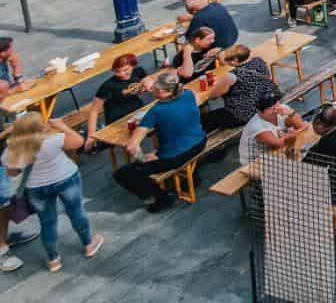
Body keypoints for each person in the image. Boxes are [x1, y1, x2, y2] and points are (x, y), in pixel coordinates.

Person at [3, 112, 102, 271]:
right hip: (66, 178)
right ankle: (89, 244)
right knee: (76, 212)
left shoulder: (13, 149)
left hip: (36, 187)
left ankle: (53, 259)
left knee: (47, 222)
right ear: (41, 126)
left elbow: (12, 171)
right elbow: (78, 142)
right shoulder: (53, 140)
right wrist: (62, 126)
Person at [115, 74, 206, 212]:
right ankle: (192, 177)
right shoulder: (188, 94)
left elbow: (132, 147)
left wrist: (145, 159)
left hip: (175, 157)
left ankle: (161, 197)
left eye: (156, 90)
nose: (152, 91)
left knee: (122, 173)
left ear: (167, 92)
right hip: (200, 142)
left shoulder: (156, 111)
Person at [199, 44, 276, 132]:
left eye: (228, 60)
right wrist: (220, 51)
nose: (225, 62)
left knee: (204, 119)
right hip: (263, 105)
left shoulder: (232, 76)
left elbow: (213, 96)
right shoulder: (259, 61)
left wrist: (219, 84)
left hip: (243, 114)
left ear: (235, 60)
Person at [82, 54, 148, 150]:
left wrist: (146, 86)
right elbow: (94, 111)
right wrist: (91, 136)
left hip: (137, 111)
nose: (121, 74)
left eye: (126, 70)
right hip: (118, 119)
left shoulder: (139, 72)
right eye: (117, 71)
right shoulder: (108, 86)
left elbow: (147, 82)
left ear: (133, 66)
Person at [239, 92, 306, 167]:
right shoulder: (256, 126)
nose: (276, 109)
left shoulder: (281, 108)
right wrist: (295, 133)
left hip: (274, 153)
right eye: (271, 108)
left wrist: (291, 113)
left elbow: (301, 125)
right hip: (253, 163)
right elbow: (279, 144)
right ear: (259, 111)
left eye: (276, 103)